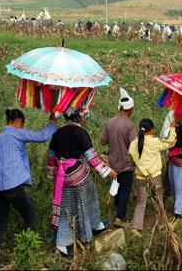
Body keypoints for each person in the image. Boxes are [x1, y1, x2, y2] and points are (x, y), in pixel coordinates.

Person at [0, 109, 58, 270]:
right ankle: (24, 254)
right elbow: (42, 136)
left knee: (1, 223)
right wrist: (52, 122)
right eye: (22, 123)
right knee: (30, 217)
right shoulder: (17, 134)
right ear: (18, 121)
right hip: (13, 185)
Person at [47, 108, 116, 257]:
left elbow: (51, 155)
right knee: (89, 199)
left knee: (65, 210)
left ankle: (61, 244)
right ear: (81, 119)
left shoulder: (57, 133)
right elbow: (91, 156)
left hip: (63, 177)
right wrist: (106, 171)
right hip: (79, 175)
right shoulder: (81, 133)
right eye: (85, 118)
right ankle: (93, 227)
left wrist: (51, 172)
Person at [129, 119, 176, 233]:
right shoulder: (155, 142)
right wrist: (172, 128)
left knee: (141, 203)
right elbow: (170, 143)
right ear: (151, 130)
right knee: (159, 199)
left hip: (141, 178)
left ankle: (136, 228)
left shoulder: (134, 143)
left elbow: (131, 160)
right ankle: (161, 222)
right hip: (155, 177)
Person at [100, 88, 137, 228]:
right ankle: (120, 218)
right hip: (126, 164)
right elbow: (133, 145)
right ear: (130, 109)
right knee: (125, 191)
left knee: (117, 187)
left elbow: (103, 141)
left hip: (113, 164)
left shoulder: (110, 122)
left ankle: (117, 212)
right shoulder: (129, 125)